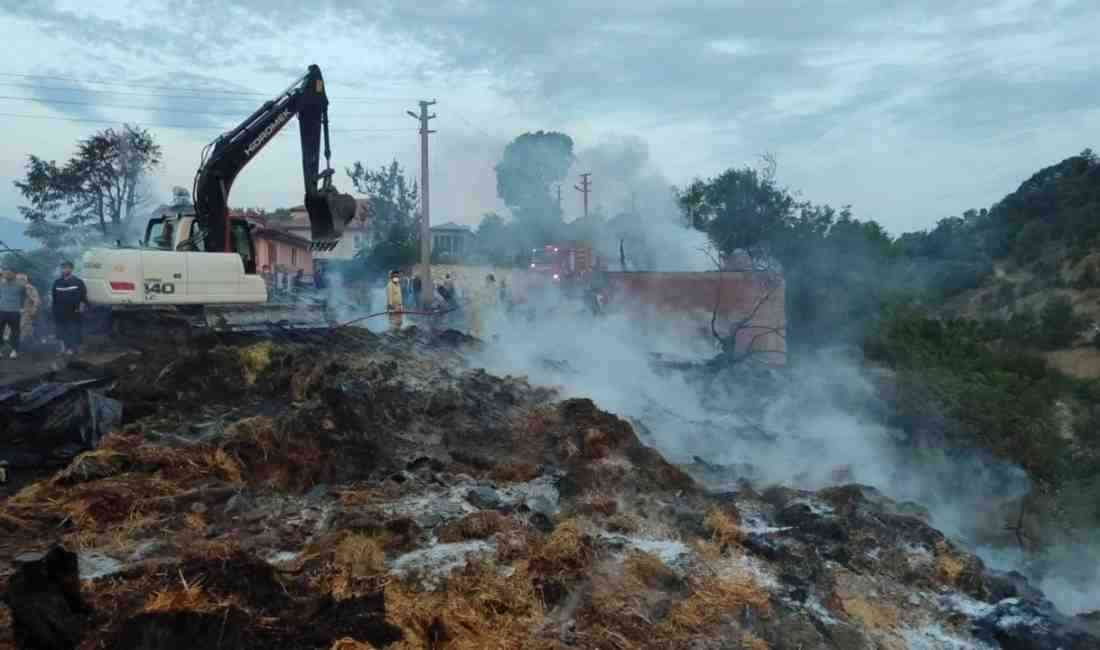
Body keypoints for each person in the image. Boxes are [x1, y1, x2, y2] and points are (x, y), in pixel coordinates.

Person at [52, 261, 87, 356]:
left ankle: (71, 349)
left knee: (72, 330)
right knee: (60, 330)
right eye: (63, 268)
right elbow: (54, 298)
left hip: (73, 312)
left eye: (67, 268)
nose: (65, 270)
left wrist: (81, 308)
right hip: (60, 312)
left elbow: (83, 298)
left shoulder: (78, 282)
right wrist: (54, 311)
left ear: (71, 269)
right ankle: (63, 349)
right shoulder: (57, 282)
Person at [0, 269, 27, 359]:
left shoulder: (21, 285)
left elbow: (24, 296)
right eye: (5, 273)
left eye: (9, 273)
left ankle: (14, 350)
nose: (6, 275)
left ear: (15, 274)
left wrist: (22, 308)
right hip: (2, 311)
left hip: (14, 312)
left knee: (15, 332)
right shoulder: (1, 284)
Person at [16, 272, 40, 344]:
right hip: (13, 311)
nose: (20, 281)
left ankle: (22, 344)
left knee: (24, 328)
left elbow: (37, 300)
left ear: (26, 280)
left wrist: (34, 310)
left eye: (22, 279)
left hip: (26, 312)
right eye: (18, 279)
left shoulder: (30, 288)